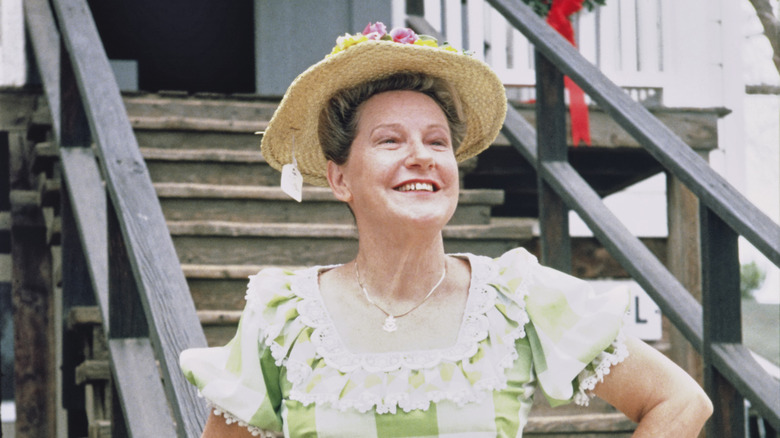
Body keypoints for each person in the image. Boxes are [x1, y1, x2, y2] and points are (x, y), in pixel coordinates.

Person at [180, 22, 713, 437]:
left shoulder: (514, 298)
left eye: (437, 142)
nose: (421, 157)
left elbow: (682, 402)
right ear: (340, 177)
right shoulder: (285, 316)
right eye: (390, 141)